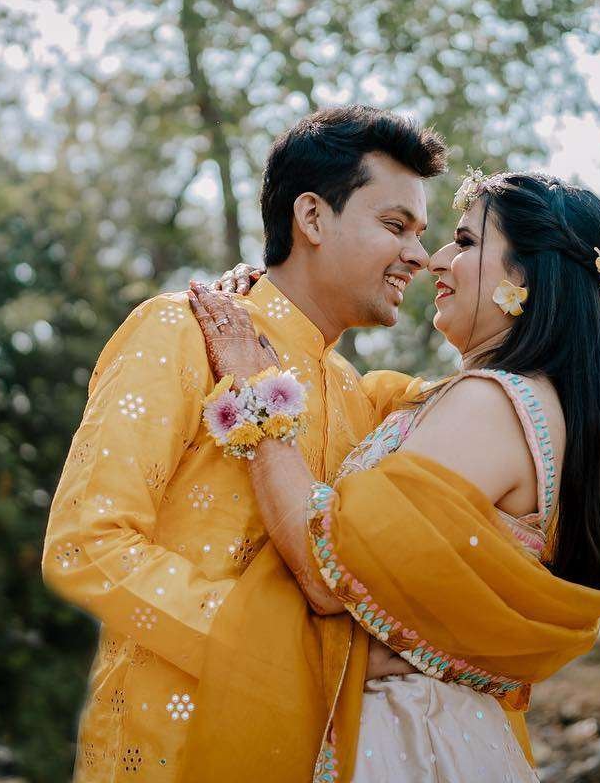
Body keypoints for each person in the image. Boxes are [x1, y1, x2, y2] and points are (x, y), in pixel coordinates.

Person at [178, 169, 600, 782]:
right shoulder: (522, 404)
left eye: (466, 242)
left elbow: (326, 568)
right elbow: (348, 399)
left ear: (524, 277)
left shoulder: (492, 405)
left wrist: (251, 385)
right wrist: (274, 309)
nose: (436, 259)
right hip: (438, 731)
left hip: (402, 739)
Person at [41, 104, 448, 781]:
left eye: (422, 234)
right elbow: (87, 544)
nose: (420, 255)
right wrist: (269, 652)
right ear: (311, 217)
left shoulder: (360, 399)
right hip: (166, 753)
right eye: (395, 225)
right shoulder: (181, 332)